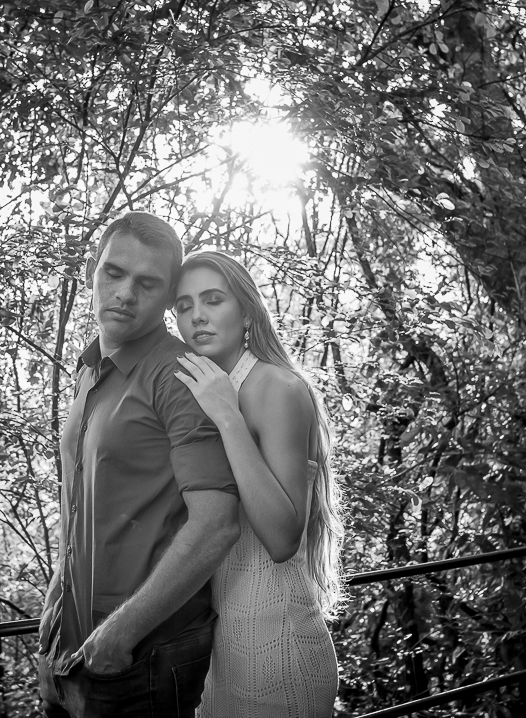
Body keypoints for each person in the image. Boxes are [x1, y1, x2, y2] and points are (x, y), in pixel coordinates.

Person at [37, 214, 241, 717]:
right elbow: (79, 503)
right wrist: (55, 609)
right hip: (71, 647)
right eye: (114, 273)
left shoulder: (178, 376)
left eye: (147, 284)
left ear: (168, 297)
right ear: (92, 270)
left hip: (140, 655)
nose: (125, 293)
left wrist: (121, 633)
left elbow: (217, 525)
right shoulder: (90, 369)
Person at [172, 249, 344, 718]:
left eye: (213, 300)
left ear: (247, 312)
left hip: (278, 651)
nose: (197, 315)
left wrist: (228, 417)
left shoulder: (277, 387)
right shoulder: (196, 391)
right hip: (217, 656)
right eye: (184, 306)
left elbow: (283, 538)